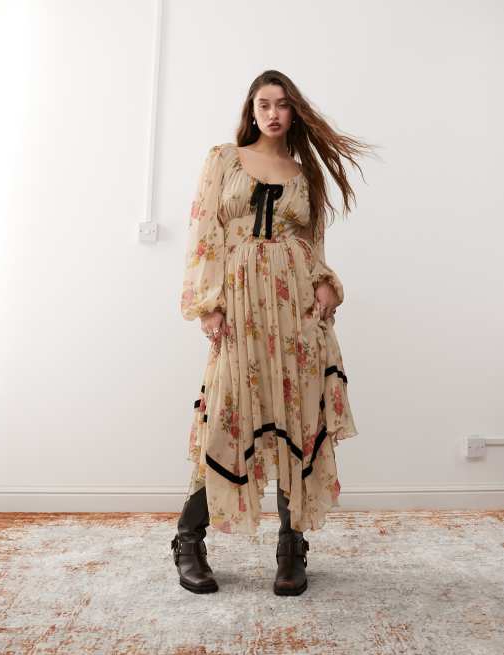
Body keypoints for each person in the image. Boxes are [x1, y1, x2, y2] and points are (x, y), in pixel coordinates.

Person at [171, 69, 375, 595]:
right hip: (239, 304)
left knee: (297, 419)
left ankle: (291, 547)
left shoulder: (305, 174)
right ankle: (188, 540)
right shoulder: (223, 159)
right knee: (228, 419)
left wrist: (326, 284)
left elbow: (313, 245)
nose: (273, 113)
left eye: (282, 104)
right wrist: (209, 304)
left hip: (295, 310)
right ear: (252, 110)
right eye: (264, 104)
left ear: (294, 112)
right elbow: (205, 232)